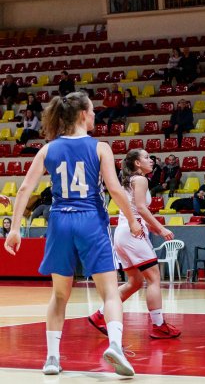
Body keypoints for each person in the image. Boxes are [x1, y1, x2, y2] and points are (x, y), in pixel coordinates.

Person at [3, 91, 143, 376]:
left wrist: (15, 229)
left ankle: (52, 358)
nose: (94, 116)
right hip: (90, 219)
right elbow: (115, 190)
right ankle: (115, 344)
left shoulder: (48, 149)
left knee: (59, 294)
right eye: (92, 112)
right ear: (82, 115)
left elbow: (24, 189)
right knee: (110, 293)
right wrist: (133, 219)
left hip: (59, 220)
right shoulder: (100, 147)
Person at [88, 149, 180, 339]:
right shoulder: (141, 180)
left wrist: (151, 227)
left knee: (135, 281)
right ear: (137, 163)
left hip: (122, 233)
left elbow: (134, 209)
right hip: (132, 232)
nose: (151, 160)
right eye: (146, 157)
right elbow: (140, 208)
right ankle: (158, 325)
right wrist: (161, 229)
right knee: (154, 278)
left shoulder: (131, 181)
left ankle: (100, 315)